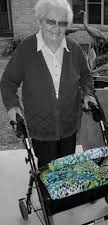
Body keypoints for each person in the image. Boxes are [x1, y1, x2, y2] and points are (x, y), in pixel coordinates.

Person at [0, 0, 97, 168]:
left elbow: (86, 76)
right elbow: (8, 82)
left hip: (69, 125)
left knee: (67, 168)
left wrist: (88, 93)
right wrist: (12, 106)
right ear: (40, 20)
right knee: (47, 171)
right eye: (51, 21)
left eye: (62, 23)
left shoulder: (74, 49)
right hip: (41, 128)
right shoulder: (26, 49)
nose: (57, 28)